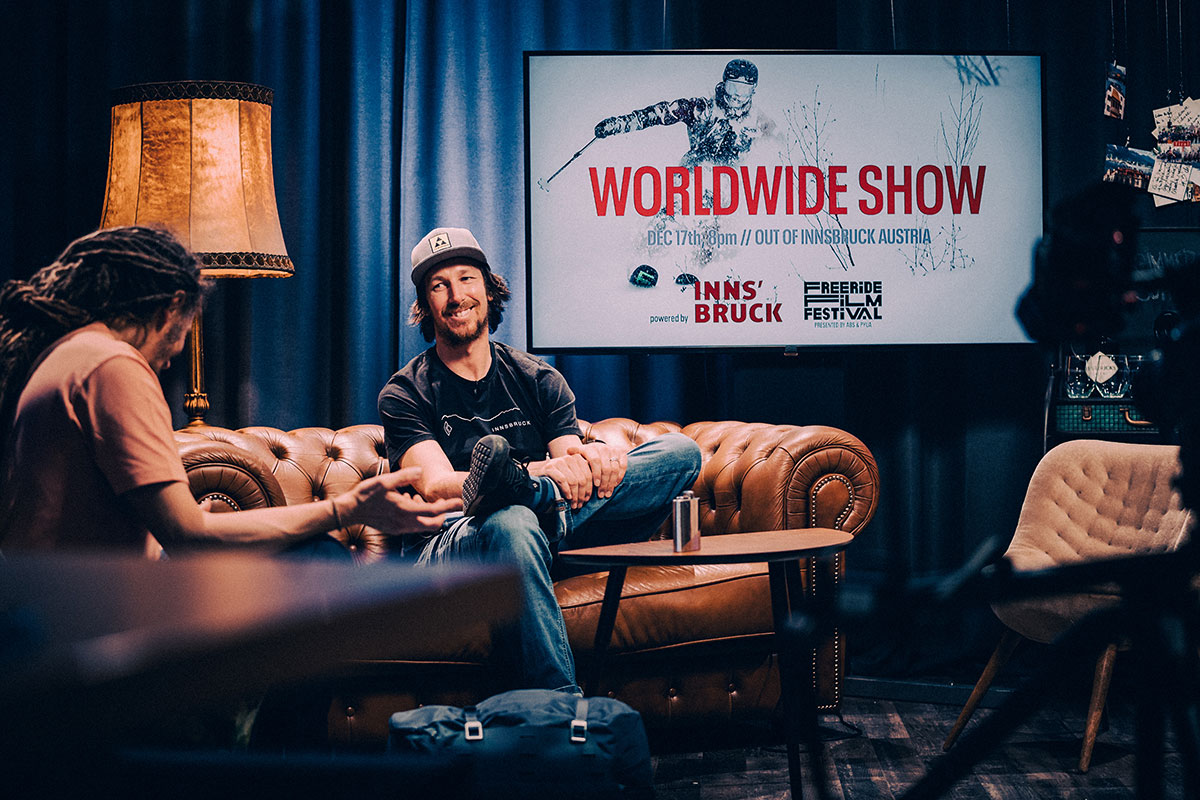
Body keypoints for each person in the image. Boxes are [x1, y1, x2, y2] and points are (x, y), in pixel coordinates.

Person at [377, 226, 702, 694]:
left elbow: (572, 467)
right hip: (452, 541)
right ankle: (561, 707)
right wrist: (539, 472)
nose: (456, 295)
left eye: (466, 279)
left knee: (680, 454)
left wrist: (597, 460)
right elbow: (435, 485)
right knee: (511, 518)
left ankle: (526, 494)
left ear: (489, 289)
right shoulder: (406, 392)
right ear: (425, 305)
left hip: (550, 525)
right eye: (439, 285)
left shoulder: (536, 377)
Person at [0, 226, 457, 555]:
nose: (173, 356)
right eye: (185, 329)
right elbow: (188, 534)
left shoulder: (68, 353)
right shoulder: (113, 366)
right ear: (173, 307)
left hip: (51, 596)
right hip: (82, 611)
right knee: (314, 554)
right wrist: (348, 509)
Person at [593, 58, 774, 167]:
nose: (736, 96)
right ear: (724, 84)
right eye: (733, 87)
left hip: (729, 192)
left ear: (753, 91)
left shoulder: (759, 123)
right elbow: (659, 113)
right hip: (692, 179)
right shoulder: (701, 110)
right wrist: (618, 125)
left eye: (744, 91)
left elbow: (778, 151)